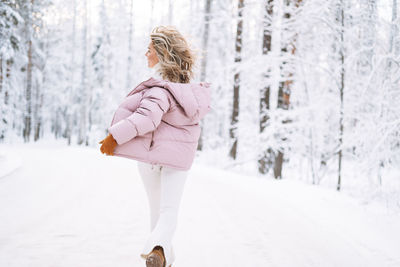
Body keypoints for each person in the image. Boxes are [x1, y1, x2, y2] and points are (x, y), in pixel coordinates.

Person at [99, 25, 212, 267]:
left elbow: (146, 118)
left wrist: (114, 138)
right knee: (168, 212)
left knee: (157, 212)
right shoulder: (190, 91)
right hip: (180, 160)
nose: (145, 54)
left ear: (161, 53)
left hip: (152, 159)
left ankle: (158, 253)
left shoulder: (159, 88)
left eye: (149, 49)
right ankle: (162, 257)